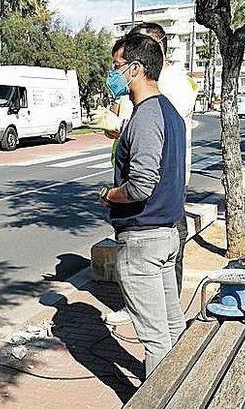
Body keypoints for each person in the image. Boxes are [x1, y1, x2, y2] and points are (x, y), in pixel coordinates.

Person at [92, 22, 198, 328]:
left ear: (136, 69)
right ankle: (181, 376)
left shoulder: (146, 116)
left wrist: (108, 195)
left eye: (117, 67)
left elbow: (140, 186)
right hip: (164, 232)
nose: (113, 74)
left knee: (154, 334)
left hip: (144, 237)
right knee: (171, 323)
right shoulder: (170, 112)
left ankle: (164, 379)